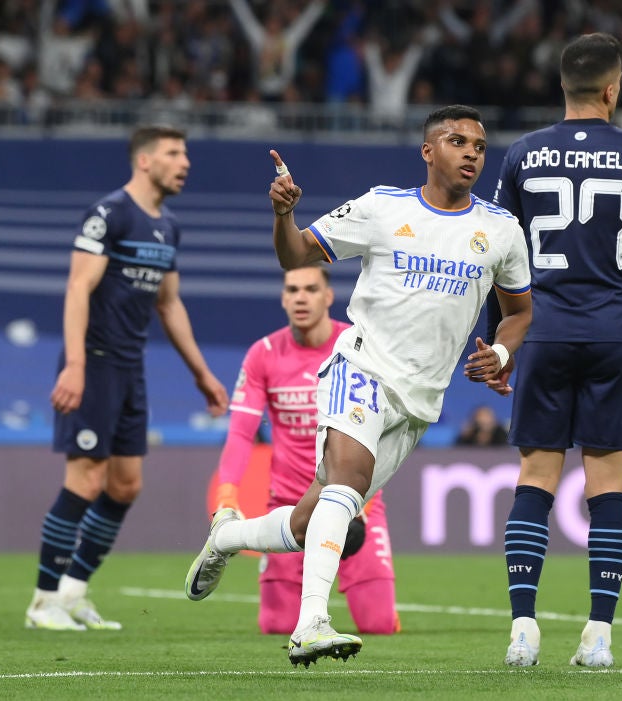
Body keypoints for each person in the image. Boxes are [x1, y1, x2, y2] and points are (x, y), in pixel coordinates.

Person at [184, 105, 533, 668]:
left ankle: (226, 538)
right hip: (362, 366)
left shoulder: (500, 229)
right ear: (428, 151)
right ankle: (312, 626)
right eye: (456, 140)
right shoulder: (381, 207)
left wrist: (500, 350)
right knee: (346, 485)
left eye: (479, 145)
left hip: (420, 402)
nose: (471, 152)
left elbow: (519, 312)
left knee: (315, 518)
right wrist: (284, 216)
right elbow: (294, 254)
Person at [490, 32, 622, 668]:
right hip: (614, 334)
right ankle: (598, 634)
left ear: (562, 89)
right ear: (612, 89)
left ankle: (523, 628)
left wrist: (501, 342)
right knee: (608, 487)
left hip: (541, 333)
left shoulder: (521, 154)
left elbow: (499, 258)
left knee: (535, 479)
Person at [25, 125, 229, 631]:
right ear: (144, 161)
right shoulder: (109, 214)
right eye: (174, 153)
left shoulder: (169, 226)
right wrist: (75, 364)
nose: (185, 162)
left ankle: (73, 593)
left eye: (186, 153)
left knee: (125, 484)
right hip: (92, 361)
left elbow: (169, 303)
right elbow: (78, 287)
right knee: (87, 477)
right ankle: (42, 601)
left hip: (129, 365)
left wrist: (201, 372)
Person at [213, 264, 400, 636]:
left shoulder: (360, 347)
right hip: (289, 506)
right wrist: (227, 495)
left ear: (328, 297)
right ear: (283, 298)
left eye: (311, 289)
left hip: (355, 501)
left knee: (378, 624)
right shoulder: (262, 354)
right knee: (276, 624)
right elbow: (240, 433)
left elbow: (389, 426)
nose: (301, 297)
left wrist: (366, 496)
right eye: (293, 289)